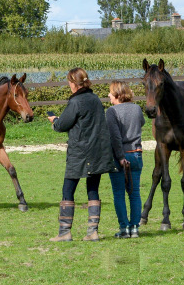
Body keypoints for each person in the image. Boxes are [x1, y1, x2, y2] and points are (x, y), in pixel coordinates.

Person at [47, 67, 115, 242]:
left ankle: (64, 233)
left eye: (69, 82)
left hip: (80, 153)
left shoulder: (76, 102)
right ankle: (92, 232)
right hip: (97, 151)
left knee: (67, 190)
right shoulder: (95, 99)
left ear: (73, 83)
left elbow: (63, 125)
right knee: (93, 190)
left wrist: (54, 121)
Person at [105, 80, 145, 239]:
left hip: (119, 156)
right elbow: (141, 123)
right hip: (136, 154)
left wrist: (120, 157)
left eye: (110, 92)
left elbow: (115, 137)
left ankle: (124, 228)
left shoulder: (111, 112)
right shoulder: (137, 108)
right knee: (135, 193)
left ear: (116, 94)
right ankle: (135, 228)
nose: (108, 95)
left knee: (119, 194)